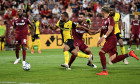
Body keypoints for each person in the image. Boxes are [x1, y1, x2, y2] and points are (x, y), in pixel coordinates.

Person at [96, 8, 139, 75]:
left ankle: (104, 71)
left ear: (103, 12)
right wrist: (99, 37)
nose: (100, 13)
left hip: (111, 39)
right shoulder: (104, 20)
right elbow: (102, 29)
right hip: (109, 39)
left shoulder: (110, 19)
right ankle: (129, 54)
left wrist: (102, 38)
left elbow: (110, 30)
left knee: (101, 52)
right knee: (113, 60)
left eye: (101, 11)